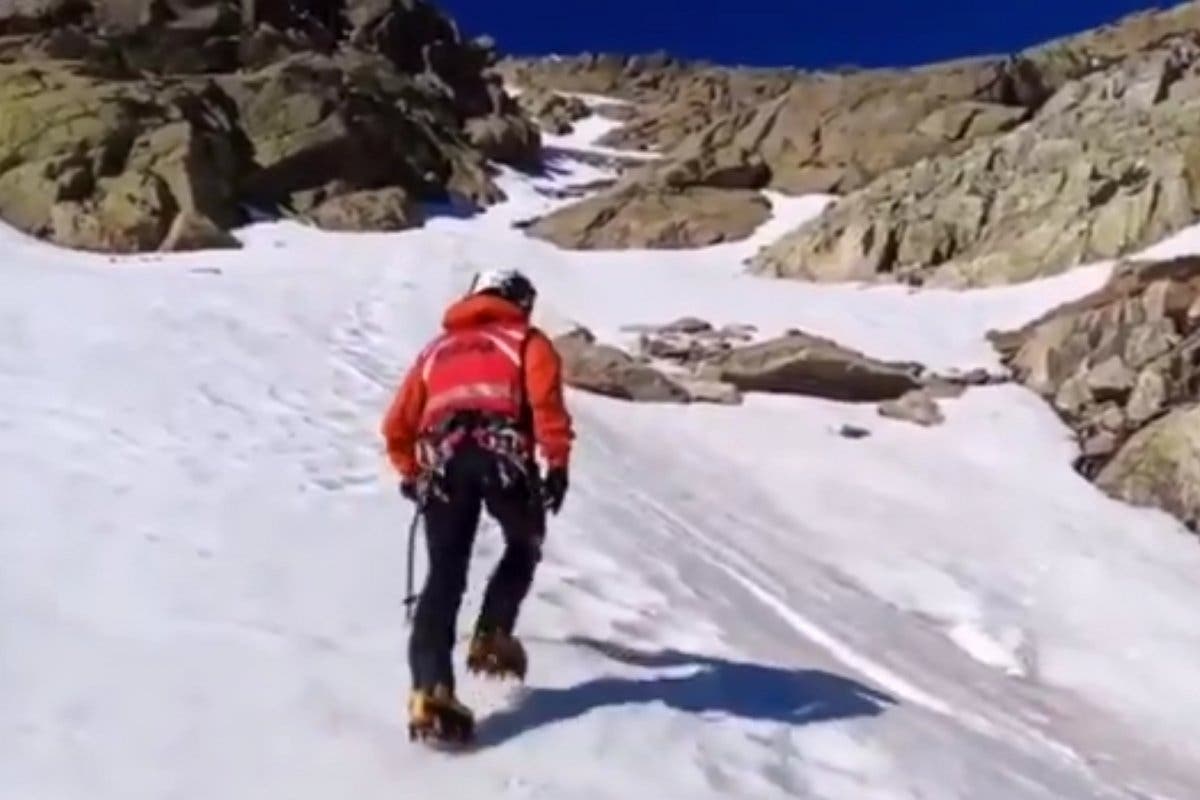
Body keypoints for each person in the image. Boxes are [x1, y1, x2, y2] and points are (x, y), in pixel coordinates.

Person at [380, 268, 573, 743]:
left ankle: (429, 689)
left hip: (442, 465)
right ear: (518, 301)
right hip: (502, 456)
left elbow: (396, 425)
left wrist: (411, 473)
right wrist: (557, 463)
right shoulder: (525, 341)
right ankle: (493, 632)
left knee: (444, 575)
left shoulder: (434, 351)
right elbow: (545, 402)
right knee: (524, 543)